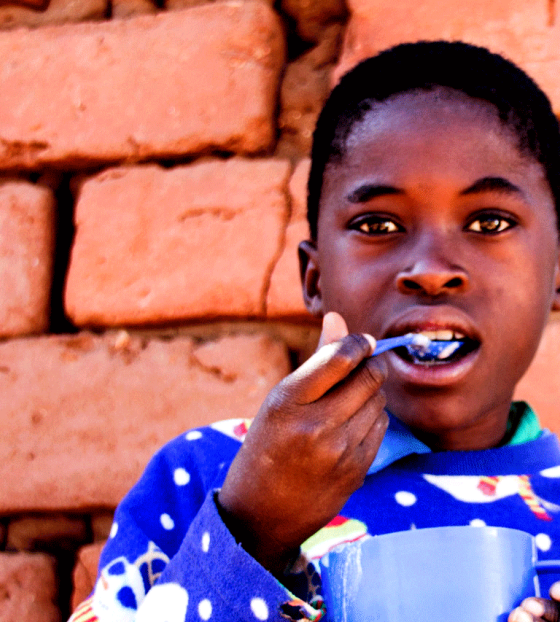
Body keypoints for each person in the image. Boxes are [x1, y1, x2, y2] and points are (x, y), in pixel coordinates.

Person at [70, 40, 560, 622]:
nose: (430, 270)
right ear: (314, 278)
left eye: (489, 222)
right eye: (378, 224)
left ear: (556, 274)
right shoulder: (210, 477)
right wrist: (255, 529)